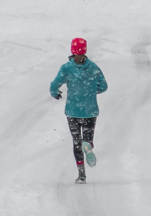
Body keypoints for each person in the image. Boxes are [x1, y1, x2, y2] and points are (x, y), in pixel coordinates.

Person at [50, 37, 108, 184]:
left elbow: (55, 84)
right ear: (85, 50)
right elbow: (104, 86)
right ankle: (88, 145)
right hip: (90, 111)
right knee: (87, 139)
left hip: (73, 111)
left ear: (72, 50)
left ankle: (81, 175)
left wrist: (55, 93)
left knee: (76, 142)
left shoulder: (67, 68)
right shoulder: (94, 67)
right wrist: (91, 91)